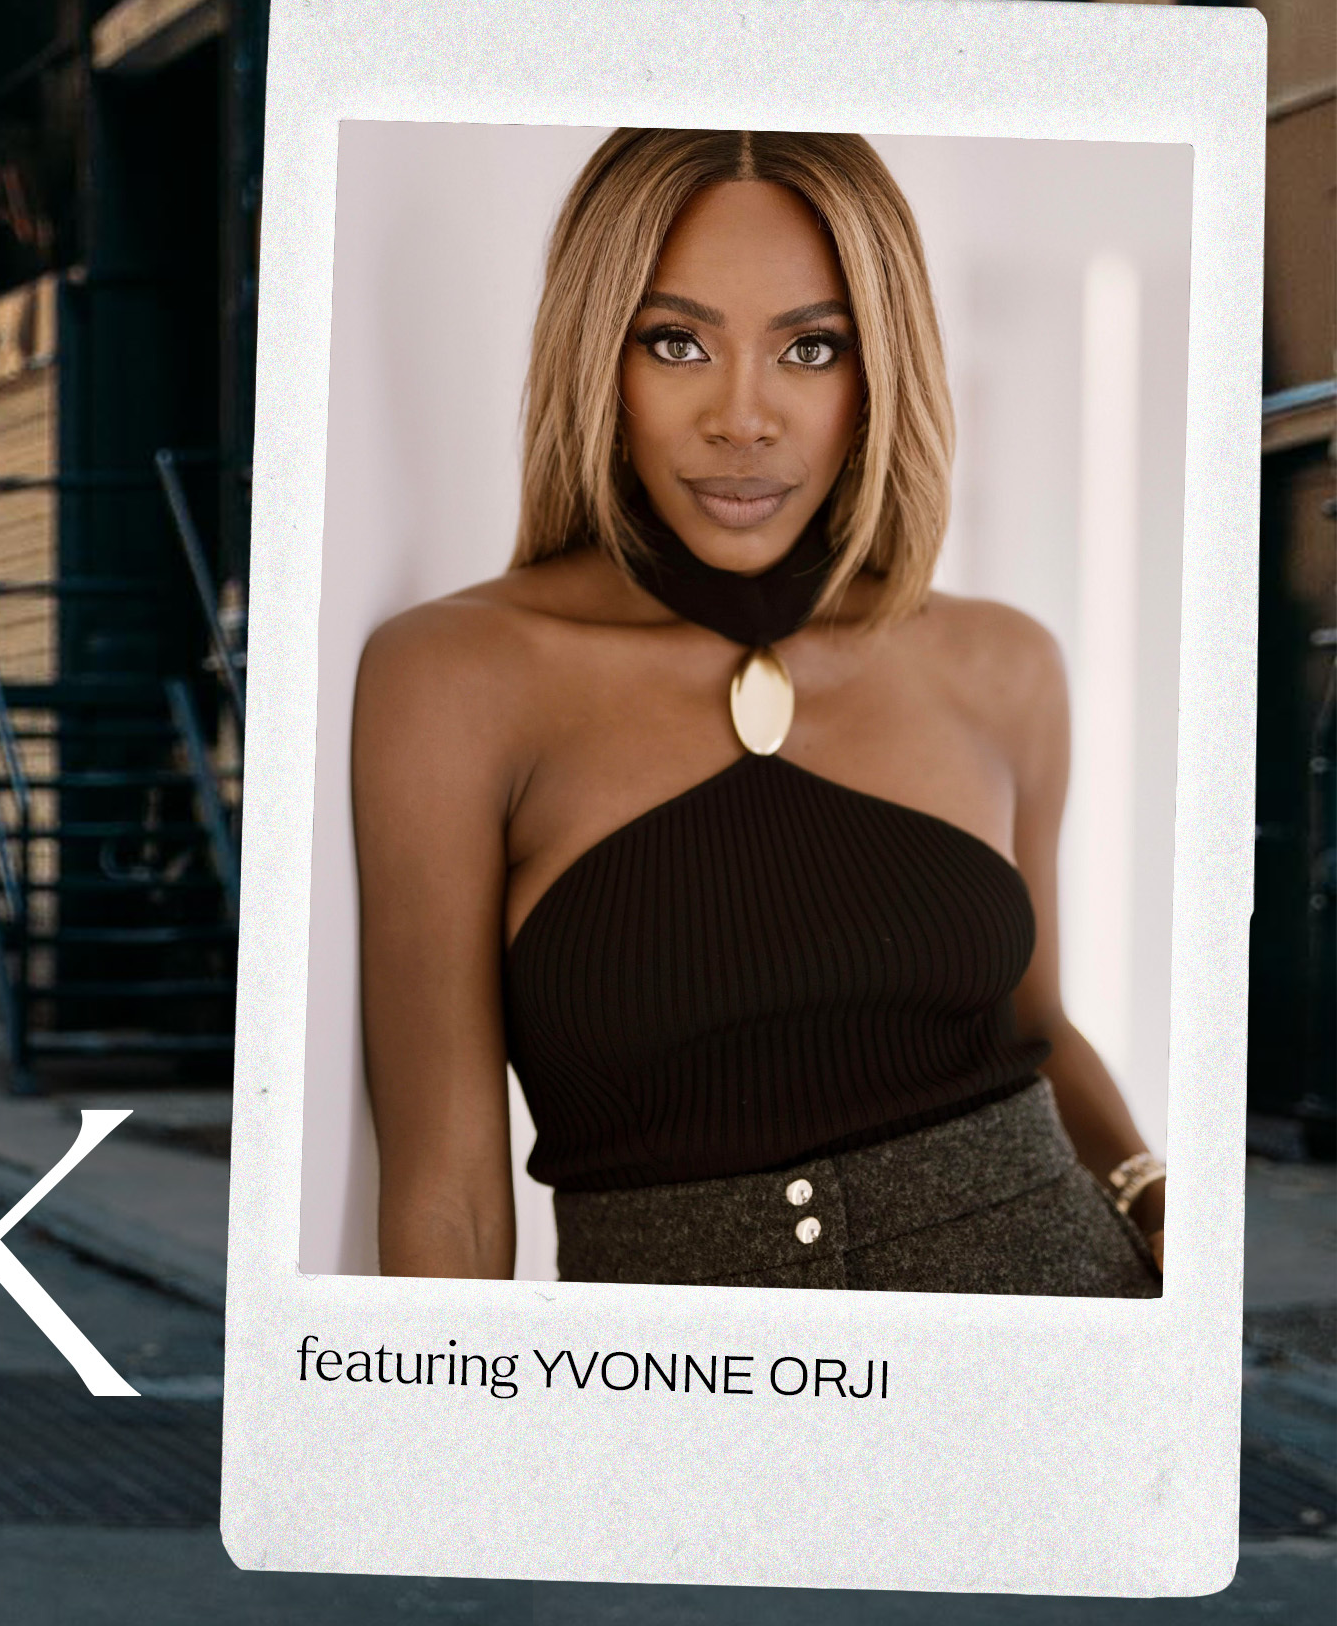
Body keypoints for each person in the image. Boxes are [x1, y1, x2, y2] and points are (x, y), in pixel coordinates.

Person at [353, 129, 1164, 1296]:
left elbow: (1038, 1019)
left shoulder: (1002, 663)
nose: (745, 418)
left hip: (1058, 1348)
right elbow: (447, 1199)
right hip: (669, 1414)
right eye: (677, 342)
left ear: (882, 368)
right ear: (600, 362)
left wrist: (1159, 1204)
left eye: (812, 346)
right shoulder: (454, 677)